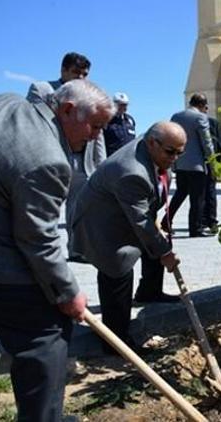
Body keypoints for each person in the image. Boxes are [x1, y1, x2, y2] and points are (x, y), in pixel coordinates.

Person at [0, 79, 112, 420]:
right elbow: (38, 240)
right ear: (67, 110)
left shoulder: (7, 103)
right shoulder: (48, 160)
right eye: (95, 126)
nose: (95, 136)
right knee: (45, 338)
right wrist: (68, 292)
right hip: (3, 267)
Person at [71, 122, 185, 354]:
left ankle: (149, 292)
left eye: (179, 152)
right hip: (102, 224)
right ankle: (116, 342)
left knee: (155, 241)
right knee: (118, 269)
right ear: (153, 143)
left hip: (127, 210)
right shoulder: (132, 171)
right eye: (170, 152)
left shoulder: (151, 152)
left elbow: (145, 215)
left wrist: (160, 243)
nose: (174, 158)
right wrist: (165, 252)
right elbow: (141, 222)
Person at [27, 51, 107, 262]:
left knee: (78, 209)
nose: (80, 78)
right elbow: (35, 122)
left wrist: (103, 165)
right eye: (76, 73)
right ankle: (42, 254)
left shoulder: (91, 95)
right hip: (50, 158)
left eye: (84, 74)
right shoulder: (43, 90)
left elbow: (98, 134)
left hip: (82, 162)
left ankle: (77, 250)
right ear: (63, 70)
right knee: (45, 207)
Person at [164, 93, 215, 237]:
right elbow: (206, 142)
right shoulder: (200, 117)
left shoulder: (176, 117)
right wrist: (212, 162)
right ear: (202, 105)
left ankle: (165, 222)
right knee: (197, 198)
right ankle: (195, 228)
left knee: (180, 194)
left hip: (180, 163)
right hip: (197, 165)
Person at [202, 109, 221, 234]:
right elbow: (219, 143)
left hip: (201, 161)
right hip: (211, 160)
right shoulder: (213, 122)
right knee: (210, 191)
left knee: (205, 192)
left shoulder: (211, 122)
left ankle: (206, 220)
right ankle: (211, 220)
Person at [104, 92, 137, 157]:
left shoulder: (130, 120)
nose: (123, 107)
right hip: (112, 159)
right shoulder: (107, 120)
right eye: (120, 105)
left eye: (125, 105)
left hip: (128, 158)